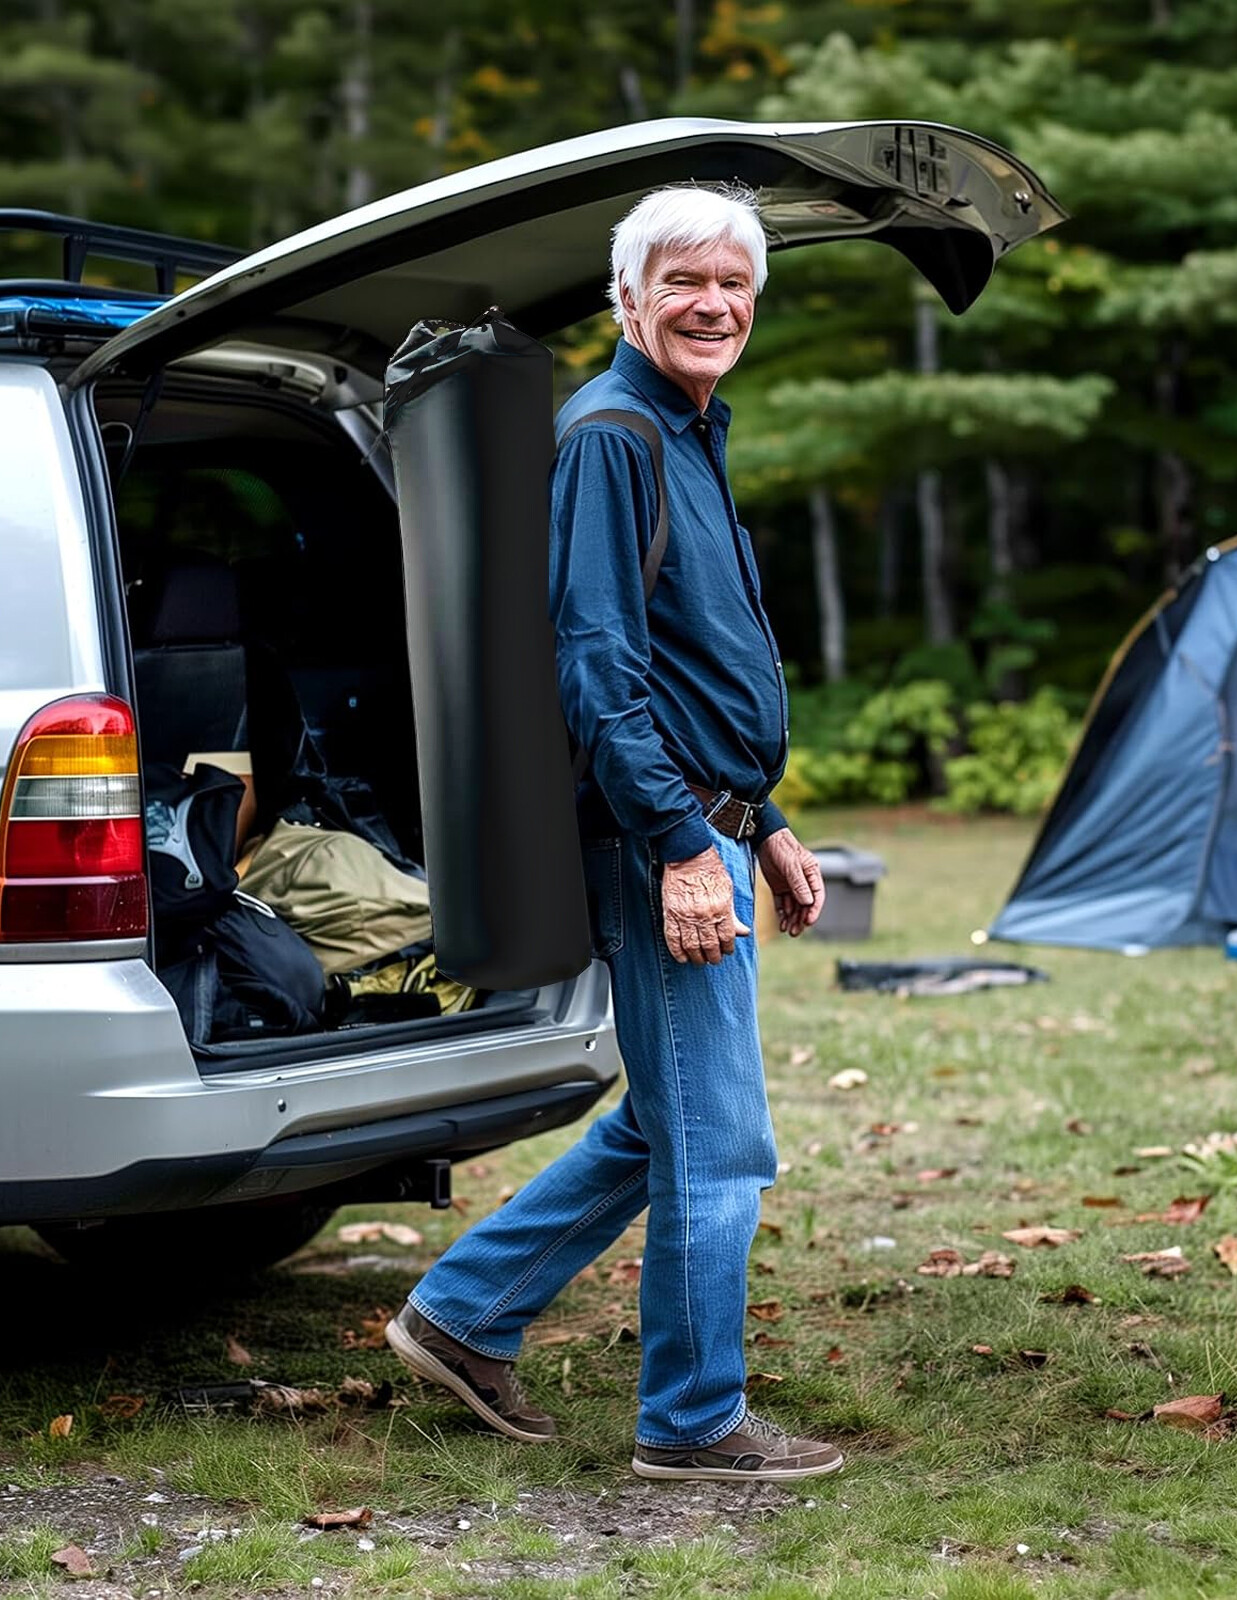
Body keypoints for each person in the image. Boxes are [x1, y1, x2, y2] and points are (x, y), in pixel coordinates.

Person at [386, 183, 839, 1482]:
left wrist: (767, 824)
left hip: (703, 824)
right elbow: (597, 663)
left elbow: (696, 661)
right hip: (658, 844)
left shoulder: (687, 430)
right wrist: (685, 846)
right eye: (682, 281)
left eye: (733, 284)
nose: (712, 305)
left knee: (672, 1121)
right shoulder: (613, 437)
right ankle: (694, 1425)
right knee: (719, 1143)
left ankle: (463, 1315)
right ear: (627, 298)